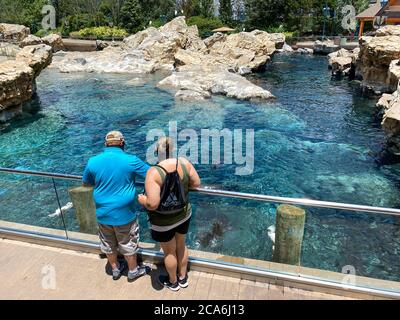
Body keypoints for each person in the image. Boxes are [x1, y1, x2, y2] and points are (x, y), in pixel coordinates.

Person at [83, 130, 150, 282]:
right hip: (125, 213)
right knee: (127, 242)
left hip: (103, 212)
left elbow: (86, 183)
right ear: (122, 143)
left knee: (107, 242)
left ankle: (115, 269)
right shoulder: (131, 160)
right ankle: (133, 271)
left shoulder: (93, 161)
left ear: (106, 144)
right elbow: (152, 174)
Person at [138, 137, 201, 291]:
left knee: (169, 252)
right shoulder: (184, 163)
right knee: (181, 245)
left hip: (163, 221)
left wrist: (142, 200)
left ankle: (172, 282)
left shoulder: (154, 172)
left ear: (156, 151)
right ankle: (183, 277)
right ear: (172, 150)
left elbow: (152, 204)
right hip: (183, 214)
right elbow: (196, 183)